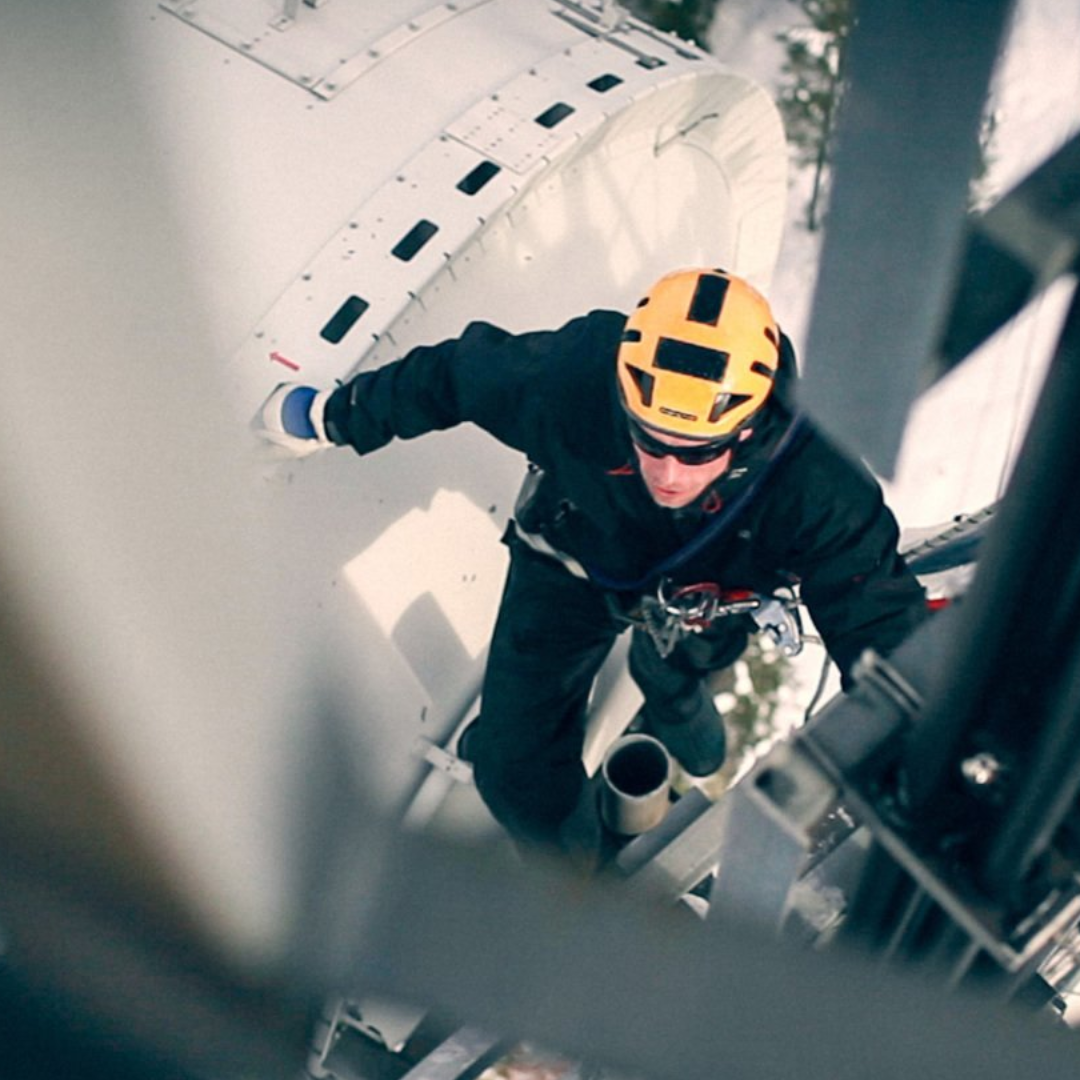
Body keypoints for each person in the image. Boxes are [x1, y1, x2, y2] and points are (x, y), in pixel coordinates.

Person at [256, 267, 926, 864]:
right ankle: (576, 881)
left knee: (673, 681)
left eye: (698, 452)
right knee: (511, 772)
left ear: (747, 428)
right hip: (568, 573)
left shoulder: (819, 485)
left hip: (707, 603)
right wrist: (336, 417)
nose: (667, 473)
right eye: (649, 441)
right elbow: (454, 376)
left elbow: (874, 612)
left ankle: (688, 735)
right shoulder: (572, 378)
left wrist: (913, 751)